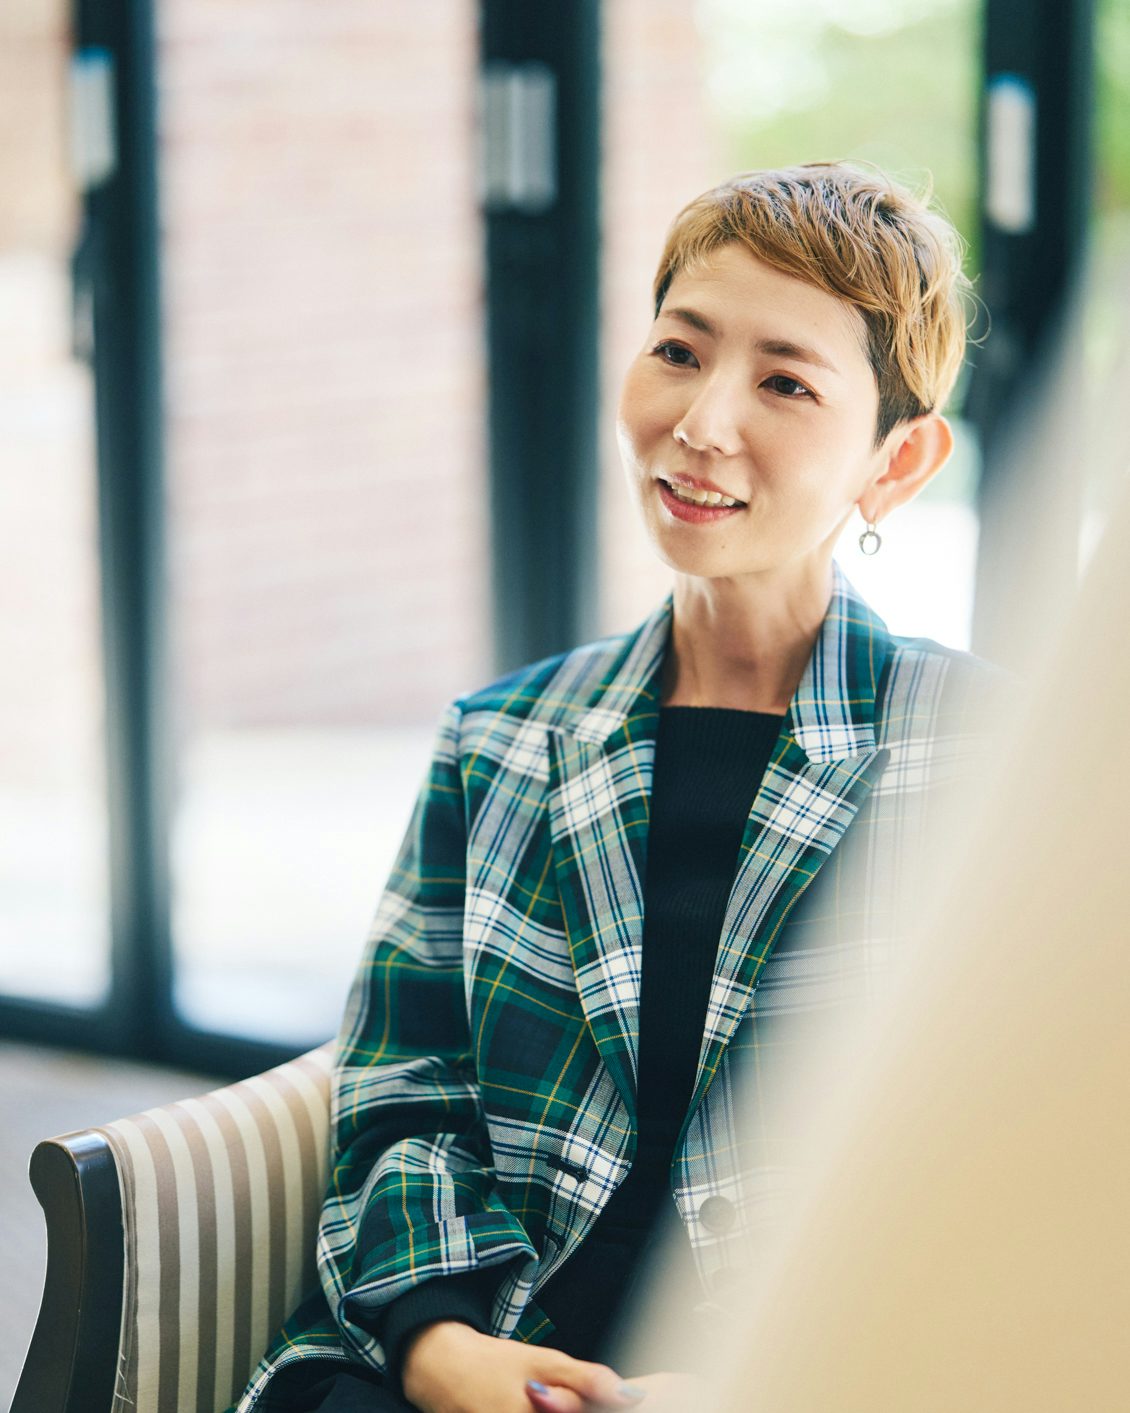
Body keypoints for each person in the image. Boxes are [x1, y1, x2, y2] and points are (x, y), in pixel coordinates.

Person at [233, 162, 996, 1413]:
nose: (702, 422)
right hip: (487, 1346)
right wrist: (439, 1346)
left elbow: (1009, 1162)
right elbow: (405, 1090)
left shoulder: (980, 763)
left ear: (896, 460)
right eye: (678, 352)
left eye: (785, 383)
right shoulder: (500, 736)